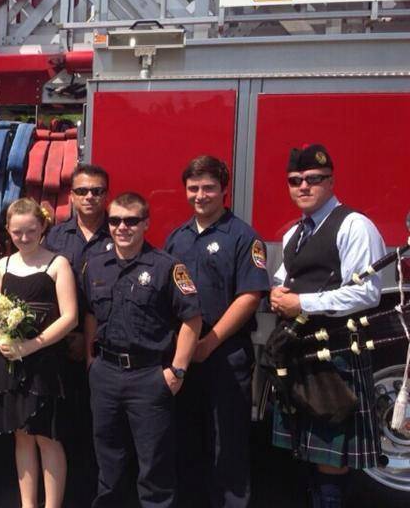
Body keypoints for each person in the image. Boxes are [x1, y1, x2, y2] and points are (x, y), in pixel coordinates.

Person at [269, 144, 386, 507]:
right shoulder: (294, 234)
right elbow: (287, 277)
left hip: (336, 354)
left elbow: (367, 293)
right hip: (298, 354)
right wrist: (277, 292)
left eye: (313, 179)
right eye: (295, 180)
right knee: (306, 452)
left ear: (331, 181)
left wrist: (302, 303)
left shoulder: (354, 225)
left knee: (329, 463)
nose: (303, 186)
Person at [164, 156, 270, 508]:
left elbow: (249, 296)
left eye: (208, 187)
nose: (200, 195)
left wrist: (209, 342)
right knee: (188, 442)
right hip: (185, 358)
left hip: (225, 356)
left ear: (224, 190)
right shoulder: (176, 239)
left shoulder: (243, 237)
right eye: (193, 188)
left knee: (228, 445)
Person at [84, 192, 202, 508]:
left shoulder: (167, 267)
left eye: (131, 220)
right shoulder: (95, 266)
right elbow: (91, 315)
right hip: (105, 375)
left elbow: (192, 319)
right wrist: (90, 361)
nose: (123, 227)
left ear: (146, 223)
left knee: (154, 465)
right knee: (108, 461)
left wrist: (176, 371)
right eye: (115, 220)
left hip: (149, 377)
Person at [0, 198, 78, 508]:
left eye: (30, 231)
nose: (23, 238)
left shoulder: (57, 264)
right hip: (11, 360)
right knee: (21, 435)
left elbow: (70, 317)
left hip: (44, 362)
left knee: (46, 437)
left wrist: (32, 344)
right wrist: (0, 338)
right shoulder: (3, 265)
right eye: (16, 232)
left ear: (42, 228)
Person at [43, 163, 110, 505]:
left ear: (105, 195)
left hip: (102, 353)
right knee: (63, 430)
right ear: (71, 196)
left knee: (101, 433)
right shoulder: (54, 237)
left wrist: (89, 341)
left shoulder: (120, 233)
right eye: (82, 191)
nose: (89, 197)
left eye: (96, 191)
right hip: (60, 348)